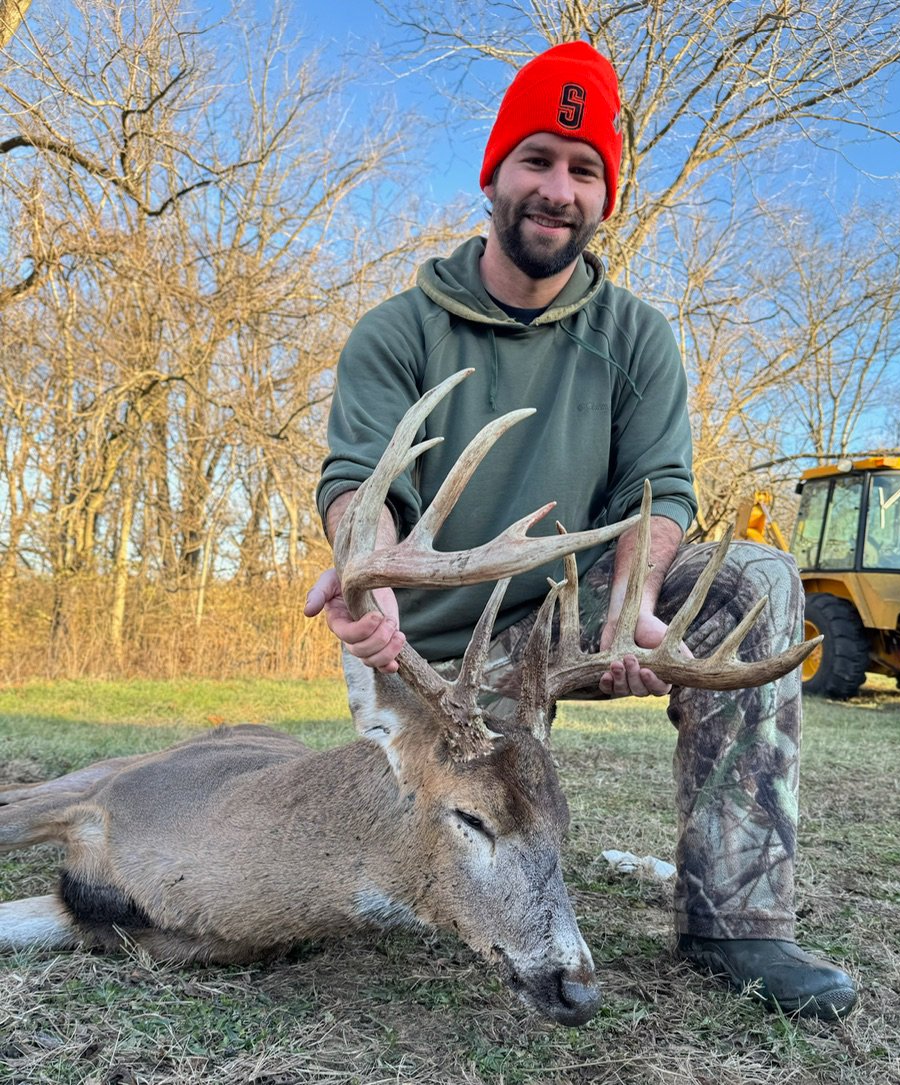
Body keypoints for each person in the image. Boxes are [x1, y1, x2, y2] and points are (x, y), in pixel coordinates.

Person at [306, 41, 857, 1020]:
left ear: (604, 197)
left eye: (585, 169)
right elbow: (359, 482)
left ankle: (739, 922)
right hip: (426, 651)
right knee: (414, 870)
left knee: (757, 579)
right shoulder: (399, 331)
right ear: (494, 174)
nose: (559, 188)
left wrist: (635, 601)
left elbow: (664, 492)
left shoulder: (635, 336)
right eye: (539, 160)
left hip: (569, 621)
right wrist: (370, 570)